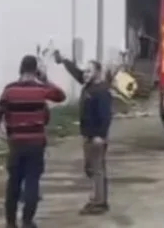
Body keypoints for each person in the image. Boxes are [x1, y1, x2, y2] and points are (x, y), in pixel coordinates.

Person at [0, 55, 67, 228]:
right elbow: (61, 96)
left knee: (14, 182)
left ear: (20, 69)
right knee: (32, 182)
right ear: (36, 71)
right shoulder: (41, 90)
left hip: (16, 143)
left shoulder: (9, 90)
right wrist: (45, 79)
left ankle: (10, 223)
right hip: (36, 144)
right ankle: (27, 221)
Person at [53, 51, 113, 215]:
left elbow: (105, 116)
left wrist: (100, 136)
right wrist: (64, 60)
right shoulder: (89, 85)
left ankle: (99, 202)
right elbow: (77, 73)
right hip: (88, 135)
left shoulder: (101, 91)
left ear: (97, 73)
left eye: (89, 71)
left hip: (96, 137)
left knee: (97, 168)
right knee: (91, 168)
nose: (85, 74)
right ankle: (98, 199)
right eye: (85, 71)